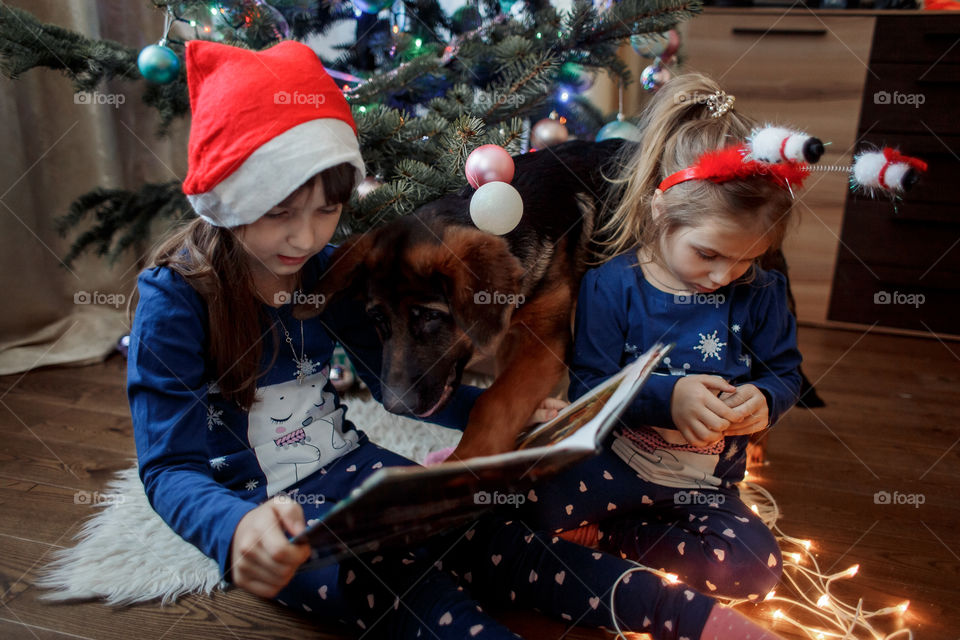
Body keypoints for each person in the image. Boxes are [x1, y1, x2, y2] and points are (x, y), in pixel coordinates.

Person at [128, 42, 783, 639]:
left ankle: (692, 618)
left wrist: (515, 417)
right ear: (228, 199)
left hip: (359, 477)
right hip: (265, 520)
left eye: (326, 210)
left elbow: (401, 388)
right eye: (279, 213)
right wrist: (235, 529)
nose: (306, 237)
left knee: (501, 541)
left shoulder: (323, 272)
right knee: (412, 592)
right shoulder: (175, 300)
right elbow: (168, 468)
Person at [521, 73, 804, 602]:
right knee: (515, 503)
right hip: (611, 466)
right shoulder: (612, 285)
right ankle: (604, 527)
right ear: (660, 211)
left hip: (704, 487)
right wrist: (667, 398)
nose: (723, 276)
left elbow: (785, 374)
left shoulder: (763, 292)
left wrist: (765, 400)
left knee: (756, 568)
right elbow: (590, 386)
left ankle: (613, 538)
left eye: (747, 259)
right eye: (708, 254)